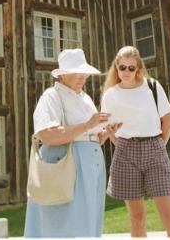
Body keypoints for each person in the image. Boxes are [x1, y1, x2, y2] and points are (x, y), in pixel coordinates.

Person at [24, 48, 120, 238]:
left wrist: (106, 133)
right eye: (78, 72)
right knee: (62, 220)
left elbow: (89, 139)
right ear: (63, 74)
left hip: (90, 167)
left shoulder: (85, 98)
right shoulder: (52, 96)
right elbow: (48, 135)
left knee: (88, 220)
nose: (83, 77)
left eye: (84, 72)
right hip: (65, 165)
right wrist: (87, 124)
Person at [101, 46, 170, 238]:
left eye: (131, 68)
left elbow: (168, 120)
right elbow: (108, 127)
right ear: (116, 67)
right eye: (122, 67)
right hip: (126, 152)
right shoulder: (110, 94)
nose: (126, 72)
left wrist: (158, 146)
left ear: (138, 67)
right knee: (137, 218)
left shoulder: (152, 86)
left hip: (154, 146)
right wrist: (120, 144)